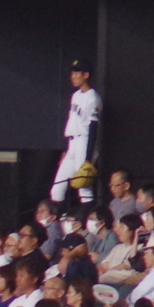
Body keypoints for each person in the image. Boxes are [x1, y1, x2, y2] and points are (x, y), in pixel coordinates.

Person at [49, 59, 100, 206]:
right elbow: (72, 123)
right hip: (72, 143)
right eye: (73, 73)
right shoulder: (76, 95)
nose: (73, 76)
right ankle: (59, 218)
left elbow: (93, 128)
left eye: (77, 73)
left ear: (86, 75)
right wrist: (66, 150)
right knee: (57, 189)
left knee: (84, 188)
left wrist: (88, 158)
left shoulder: (93, 98)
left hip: (84, 142)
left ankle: (90, 217)